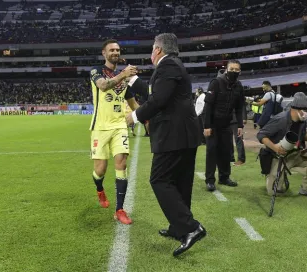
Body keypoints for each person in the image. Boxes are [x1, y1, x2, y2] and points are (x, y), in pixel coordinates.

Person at [126, 33, 206, 257]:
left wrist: (134, 117)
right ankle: (179, 228)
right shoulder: (173, 66)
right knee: (180, 182)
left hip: (174, 135)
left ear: (158, 49)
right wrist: (133, 81)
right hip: (184, 135)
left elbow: (158, 100)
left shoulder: (168, 65)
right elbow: (159, 94)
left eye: (152, 48)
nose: (151, 53)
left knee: (159, 179)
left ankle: (191, 227)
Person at [89, 39, 141, 225]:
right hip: (100, 128)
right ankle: (100, 189)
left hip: (120, 126)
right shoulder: (96, 71)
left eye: (117, 50)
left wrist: (150, 116)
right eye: (111, 50)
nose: (115, 52)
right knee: (100, 170)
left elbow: (134, 105)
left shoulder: (124, 79)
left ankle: (119, 209)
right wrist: (123, 75)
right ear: (104, 53)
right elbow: (103, 86)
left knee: (121, 163)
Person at [257, 92, 307, 199]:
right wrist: (275, 148)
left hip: (296, 154)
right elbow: (261, 135)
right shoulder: (281, 119)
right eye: (305, 110)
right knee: (274, 192)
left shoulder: (302, 121)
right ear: (295, 109)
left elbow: (303, 134)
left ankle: (306, 189)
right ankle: (272, 176)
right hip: (279, 156)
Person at [203, 61, 245, 192]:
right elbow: (208, 106)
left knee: (226, 152)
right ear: (226, 69)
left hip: (227, 124)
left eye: (236, 69)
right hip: (213, 124)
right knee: (212, 152)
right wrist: (207, 126)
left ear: (240, 71)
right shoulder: (216, 82)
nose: (234, 71)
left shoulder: (238, 86)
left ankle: (224, 177)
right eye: (231, 69)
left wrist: (240, 125)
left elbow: (239, 108)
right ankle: (210, 180)